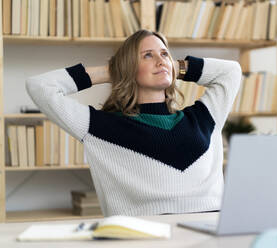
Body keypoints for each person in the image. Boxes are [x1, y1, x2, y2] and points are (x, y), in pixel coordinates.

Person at [26, 29, 242, 216]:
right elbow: (40, 86)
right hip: (142, 237)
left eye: (164, 54)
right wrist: (112, 71)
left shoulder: (205, 117)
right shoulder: (99, 127)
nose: (160, 60)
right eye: (147, 55)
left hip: (209, 230)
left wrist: (174, 66)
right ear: (128, 67)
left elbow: (231, 72)